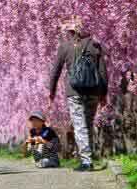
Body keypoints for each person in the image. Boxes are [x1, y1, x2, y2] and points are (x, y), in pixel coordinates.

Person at [48, 17, 108, 172]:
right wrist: (103, 94)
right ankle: (89, 157)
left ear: (70, 31)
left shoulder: (65, 46)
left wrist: (52, 92)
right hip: (93, 91)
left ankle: (86, 161)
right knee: (87, 124)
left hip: (74, 91)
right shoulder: (95, 46)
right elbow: (102, 72)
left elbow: (55, 72)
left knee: (80, 126)